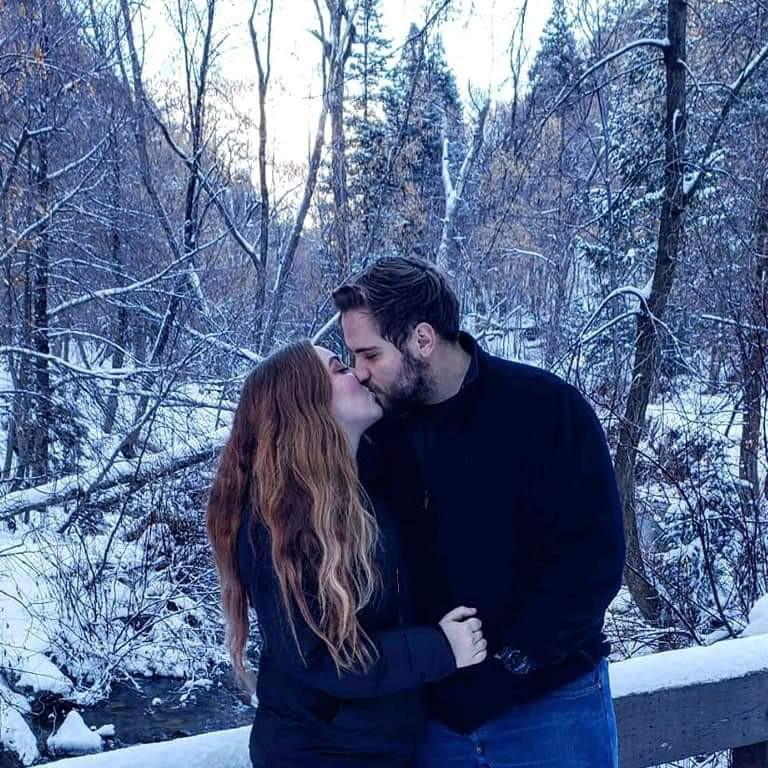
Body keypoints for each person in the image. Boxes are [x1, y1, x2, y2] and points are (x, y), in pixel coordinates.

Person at [333, 257, 626, 768]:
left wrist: (516, 660)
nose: (359, 373)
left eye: (370, 355)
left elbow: (594, 559)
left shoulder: (546, 410)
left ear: (422, 339)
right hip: (431, 720)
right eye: (352, 356)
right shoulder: (377, 435)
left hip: (551, 708)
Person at [206, 340, 487, 768]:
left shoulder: (360, 492)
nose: (357, 374)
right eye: (339, 369)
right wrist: (441, 649)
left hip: (382, 748)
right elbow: (321, 656)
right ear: (306, 407)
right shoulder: (275, 525)